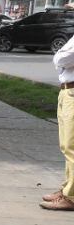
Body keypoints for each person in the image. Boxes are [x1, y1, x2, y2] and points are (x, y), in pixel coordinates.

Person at [42, 35, 74, 211]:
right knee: (66, 146)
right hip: (67, 91)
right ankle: (68, 189)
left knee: (71, 146)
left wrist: (60, 55)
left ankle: (71, 196)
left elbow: (63, 58)